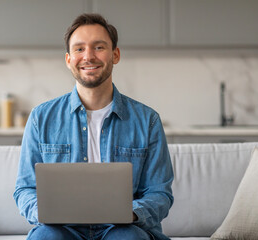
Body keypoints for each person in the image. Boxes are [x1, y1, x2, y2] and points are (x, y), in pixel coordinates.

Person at [13, 13, 174, 240]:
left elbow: (160, 194)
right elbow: (25, 189)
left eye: (99, 47)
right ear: (68, 59)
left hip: (121, 229)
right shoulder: (41, 118)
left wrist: (132, 213)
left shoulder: (148, 120)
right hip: (62, 229)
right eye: (79, 49)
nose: (88, 56)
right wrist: (44, 213)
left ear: (115, 55)